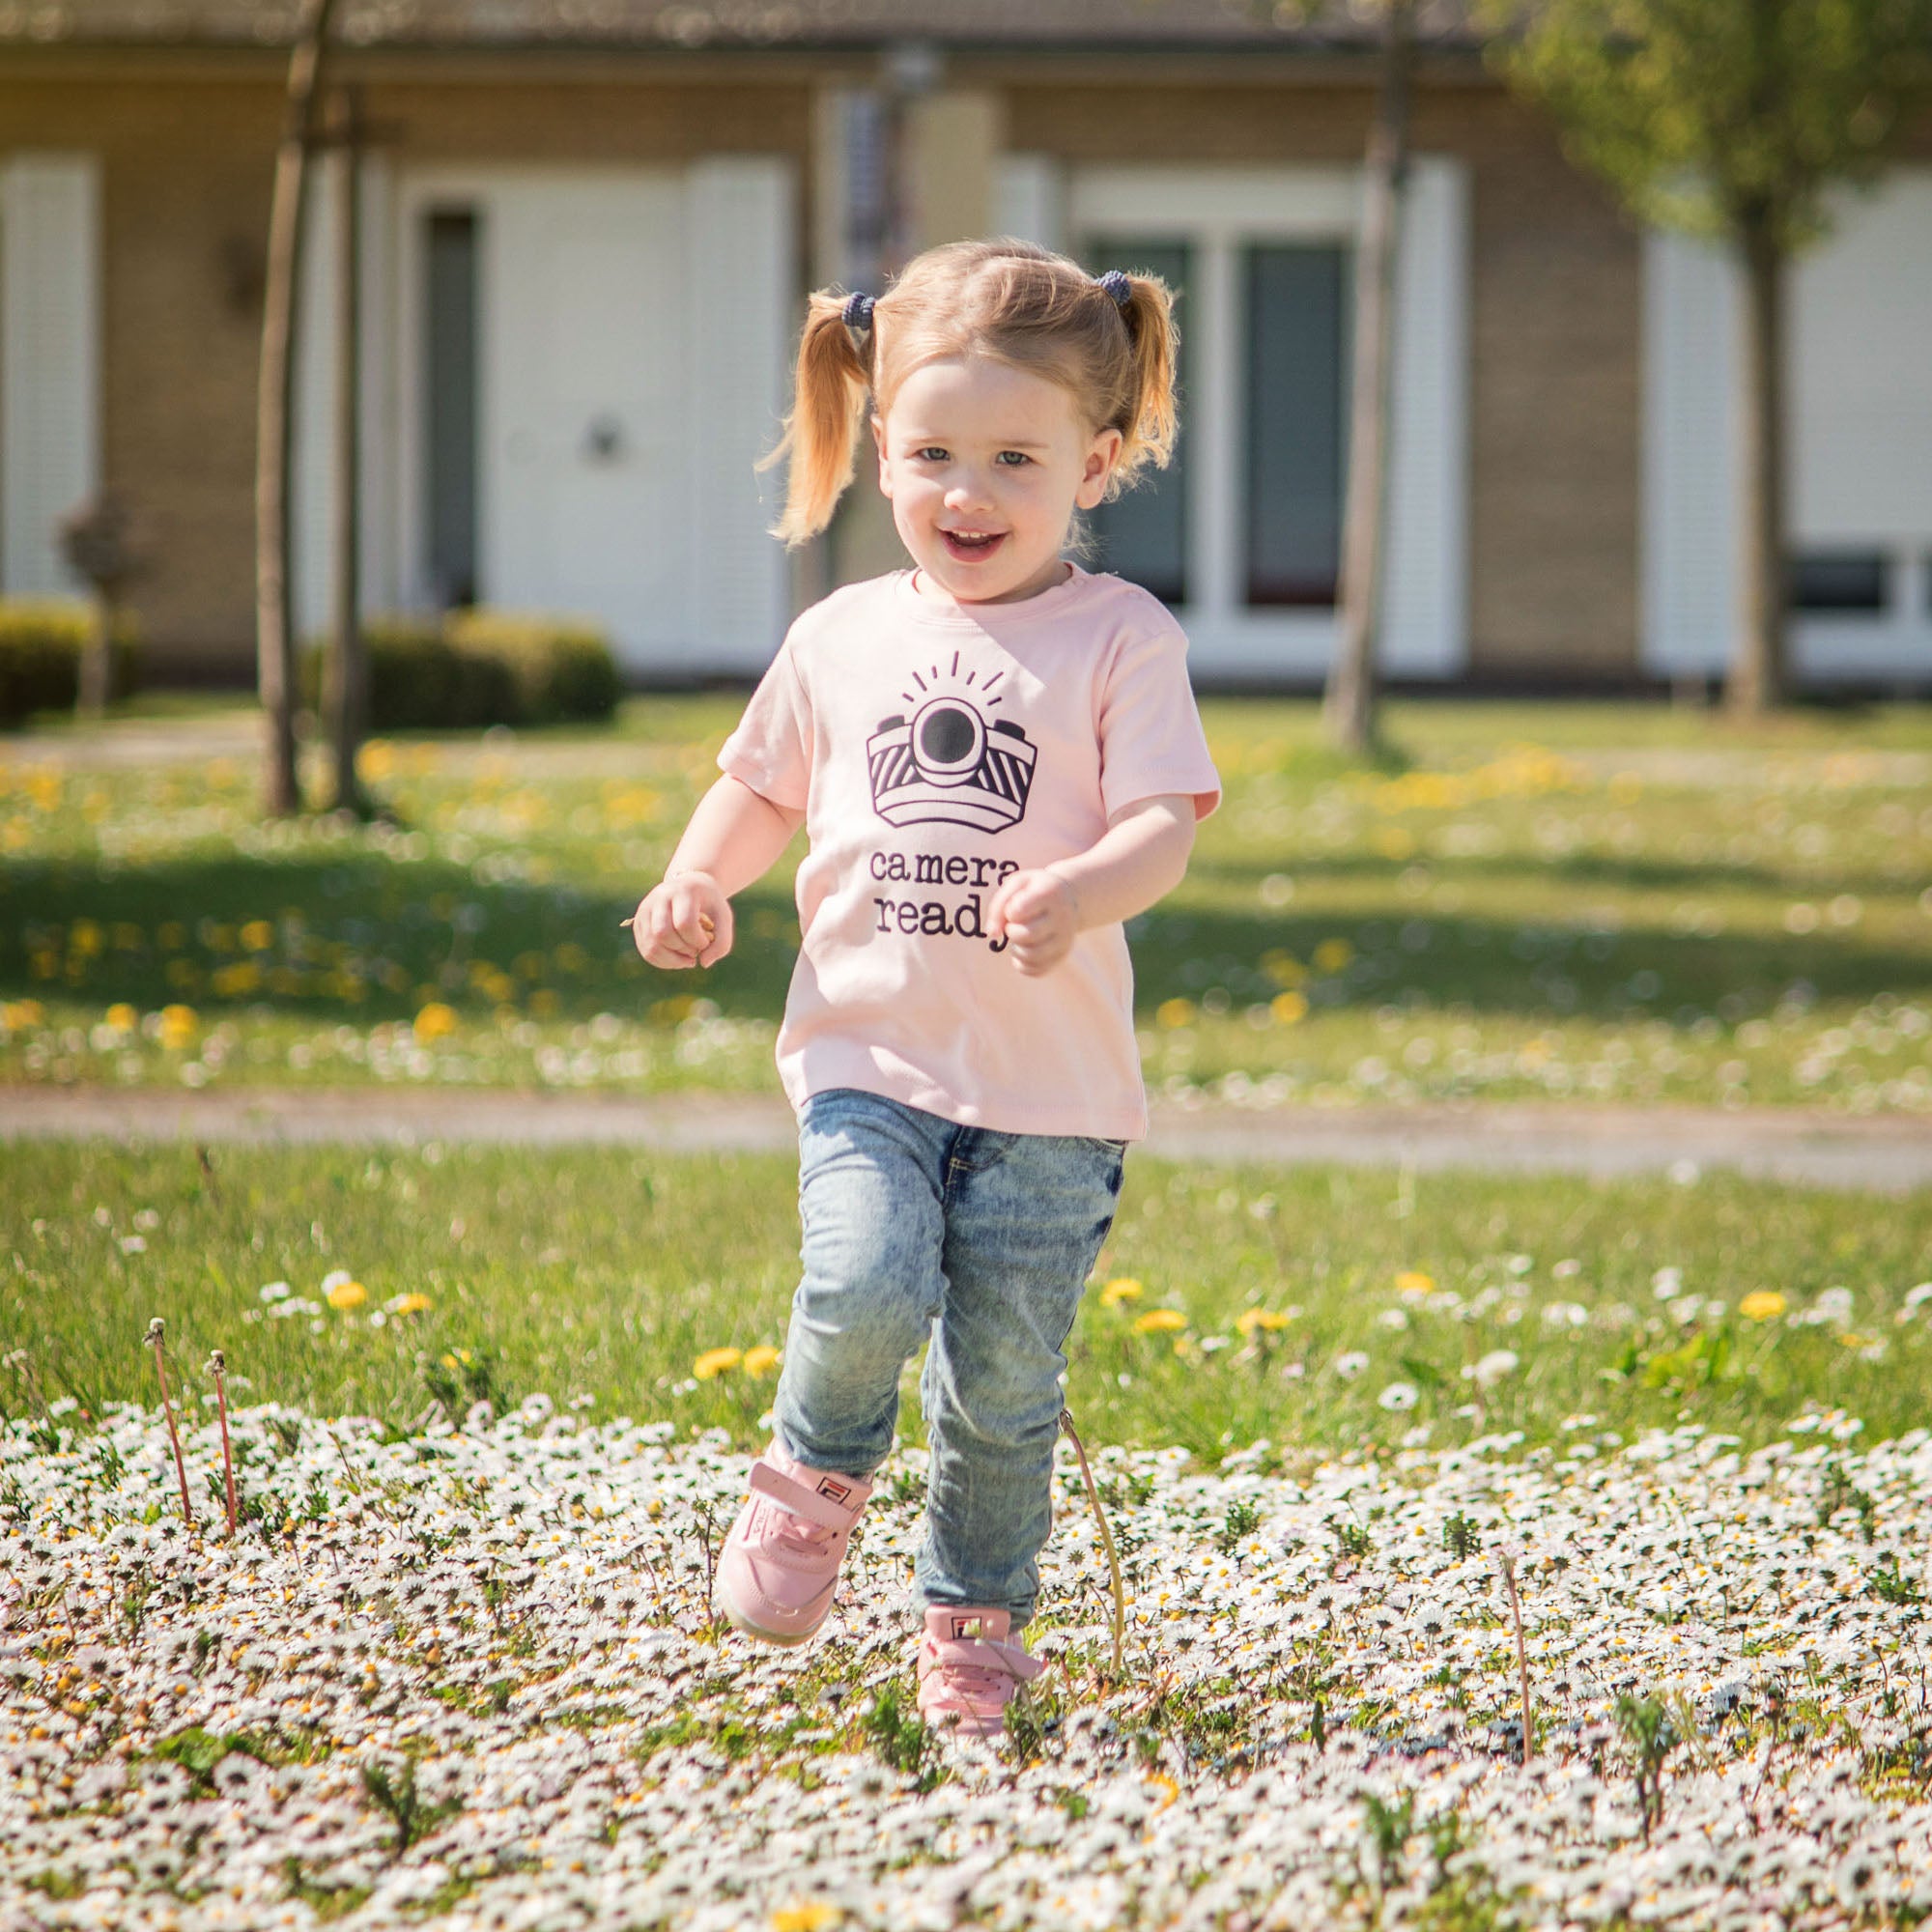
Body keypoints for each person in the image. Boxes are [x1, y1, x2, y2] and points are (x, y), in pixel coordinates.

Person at [631, 239, 1221, 1738]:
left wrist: (1083, 890)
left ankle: (971, 1630)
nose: (969, 492)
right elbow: (760, 788)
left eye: (1015, 459)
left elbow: (1164, 823)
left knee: (1005, 1394)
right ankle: (810, 1477)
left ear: (1095, 463)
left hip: (1054, 1100)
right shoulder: (839, 636)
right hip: (868, 1059)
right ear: (883, 443)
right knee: (861, 1279)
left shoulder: (1121, 637)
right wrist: (698, 878)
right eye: (934, 454)